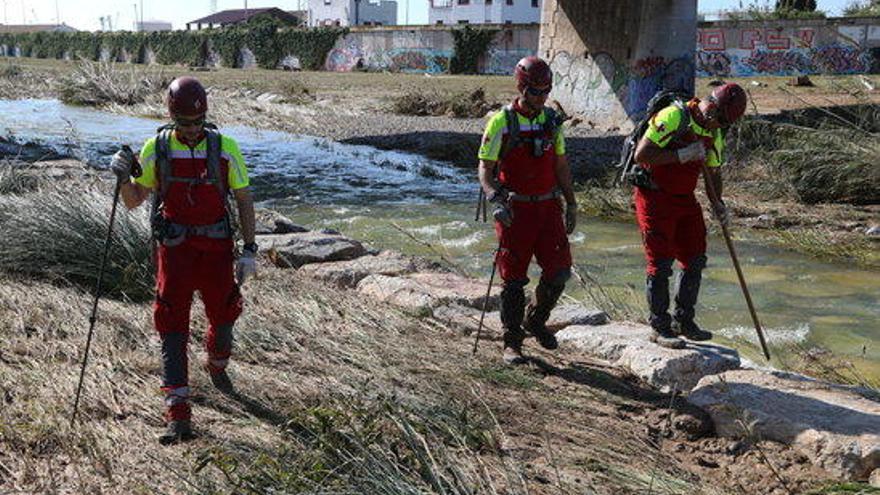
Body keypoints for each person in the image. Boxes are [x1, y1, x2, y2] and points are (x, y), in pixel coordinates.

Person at [110, 76, 257, 444]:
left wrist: (251, 250)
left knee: (224, 314)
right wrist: (123, 175)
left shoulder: (226, 148)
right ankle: (178, 413)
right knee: (170, 322)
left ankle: (217, 364)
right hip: (174, 251)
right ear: (171, 117)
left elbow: (243, 199)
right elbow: (132, 201)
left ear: (206, 115)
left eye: (197, 123)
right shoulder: (155, 149)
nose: (191, 132)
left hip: (217, 250)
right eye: (184, 124)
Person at [477, 56, 577, 365]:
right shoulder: (501, 122)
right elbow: (485, 169)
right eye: (535, 91)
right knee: (514, 279)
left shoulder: (551, 121)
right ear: (521, 88)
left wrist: (571, 203)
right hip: (515, 209)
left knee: (559, 271)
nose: (541, 97)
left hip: (548, 207)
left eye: (546, 91)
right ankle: (512, 343)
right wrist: (495, 197)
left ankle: (535, 320)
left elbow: (561, 165)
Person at [632, 82, 747, 349]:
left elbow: (713, 173)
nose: (720, 127)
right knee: (660, 263)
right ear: (711, 107)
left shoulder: (714, 131)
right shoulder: (674, 116)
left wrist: (718, 204)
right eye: (719, 120)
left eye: (725, 124)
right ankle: (659, 326)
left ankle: (684, 321)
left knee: (695, 258)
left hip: (684, 199)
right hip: (654, 197)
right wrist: (681, 154)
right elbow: (642, 154)